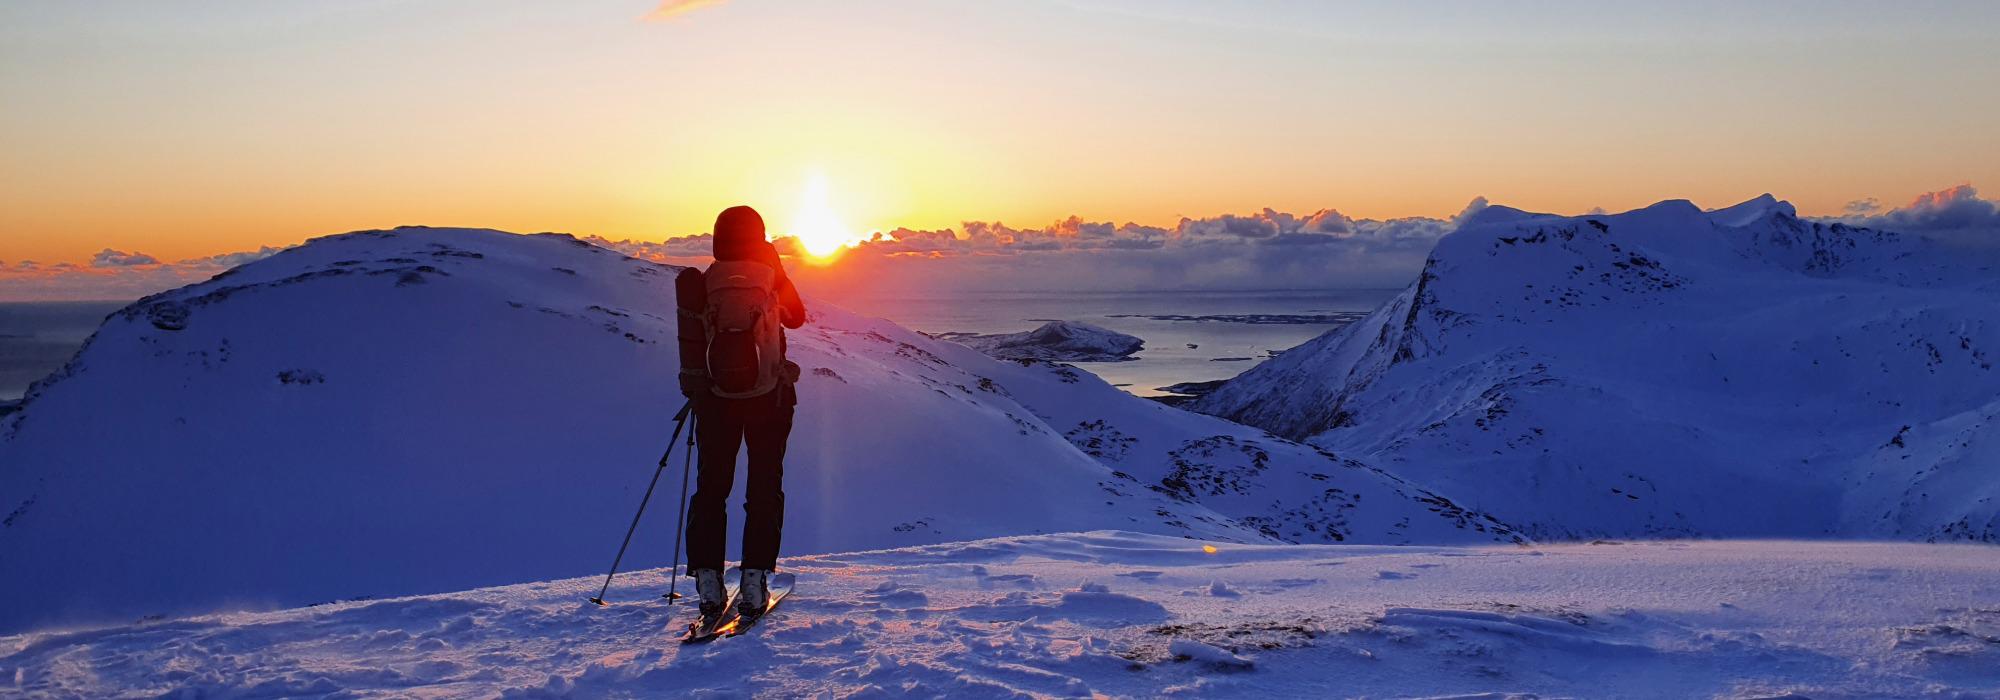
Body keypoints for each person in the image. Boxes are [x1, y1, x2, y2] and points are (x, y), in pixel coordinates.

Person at [680, 205, 806, 623]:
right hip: (768, 398)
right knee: (764, 486)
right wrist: (776, 267)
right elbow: (797, 318)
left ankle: (708, 583)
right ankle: (754, 582)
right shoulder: (769, 275)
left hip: (717, 401)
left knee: (712, 489)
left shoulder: (704, 281)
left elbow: (694, 340)